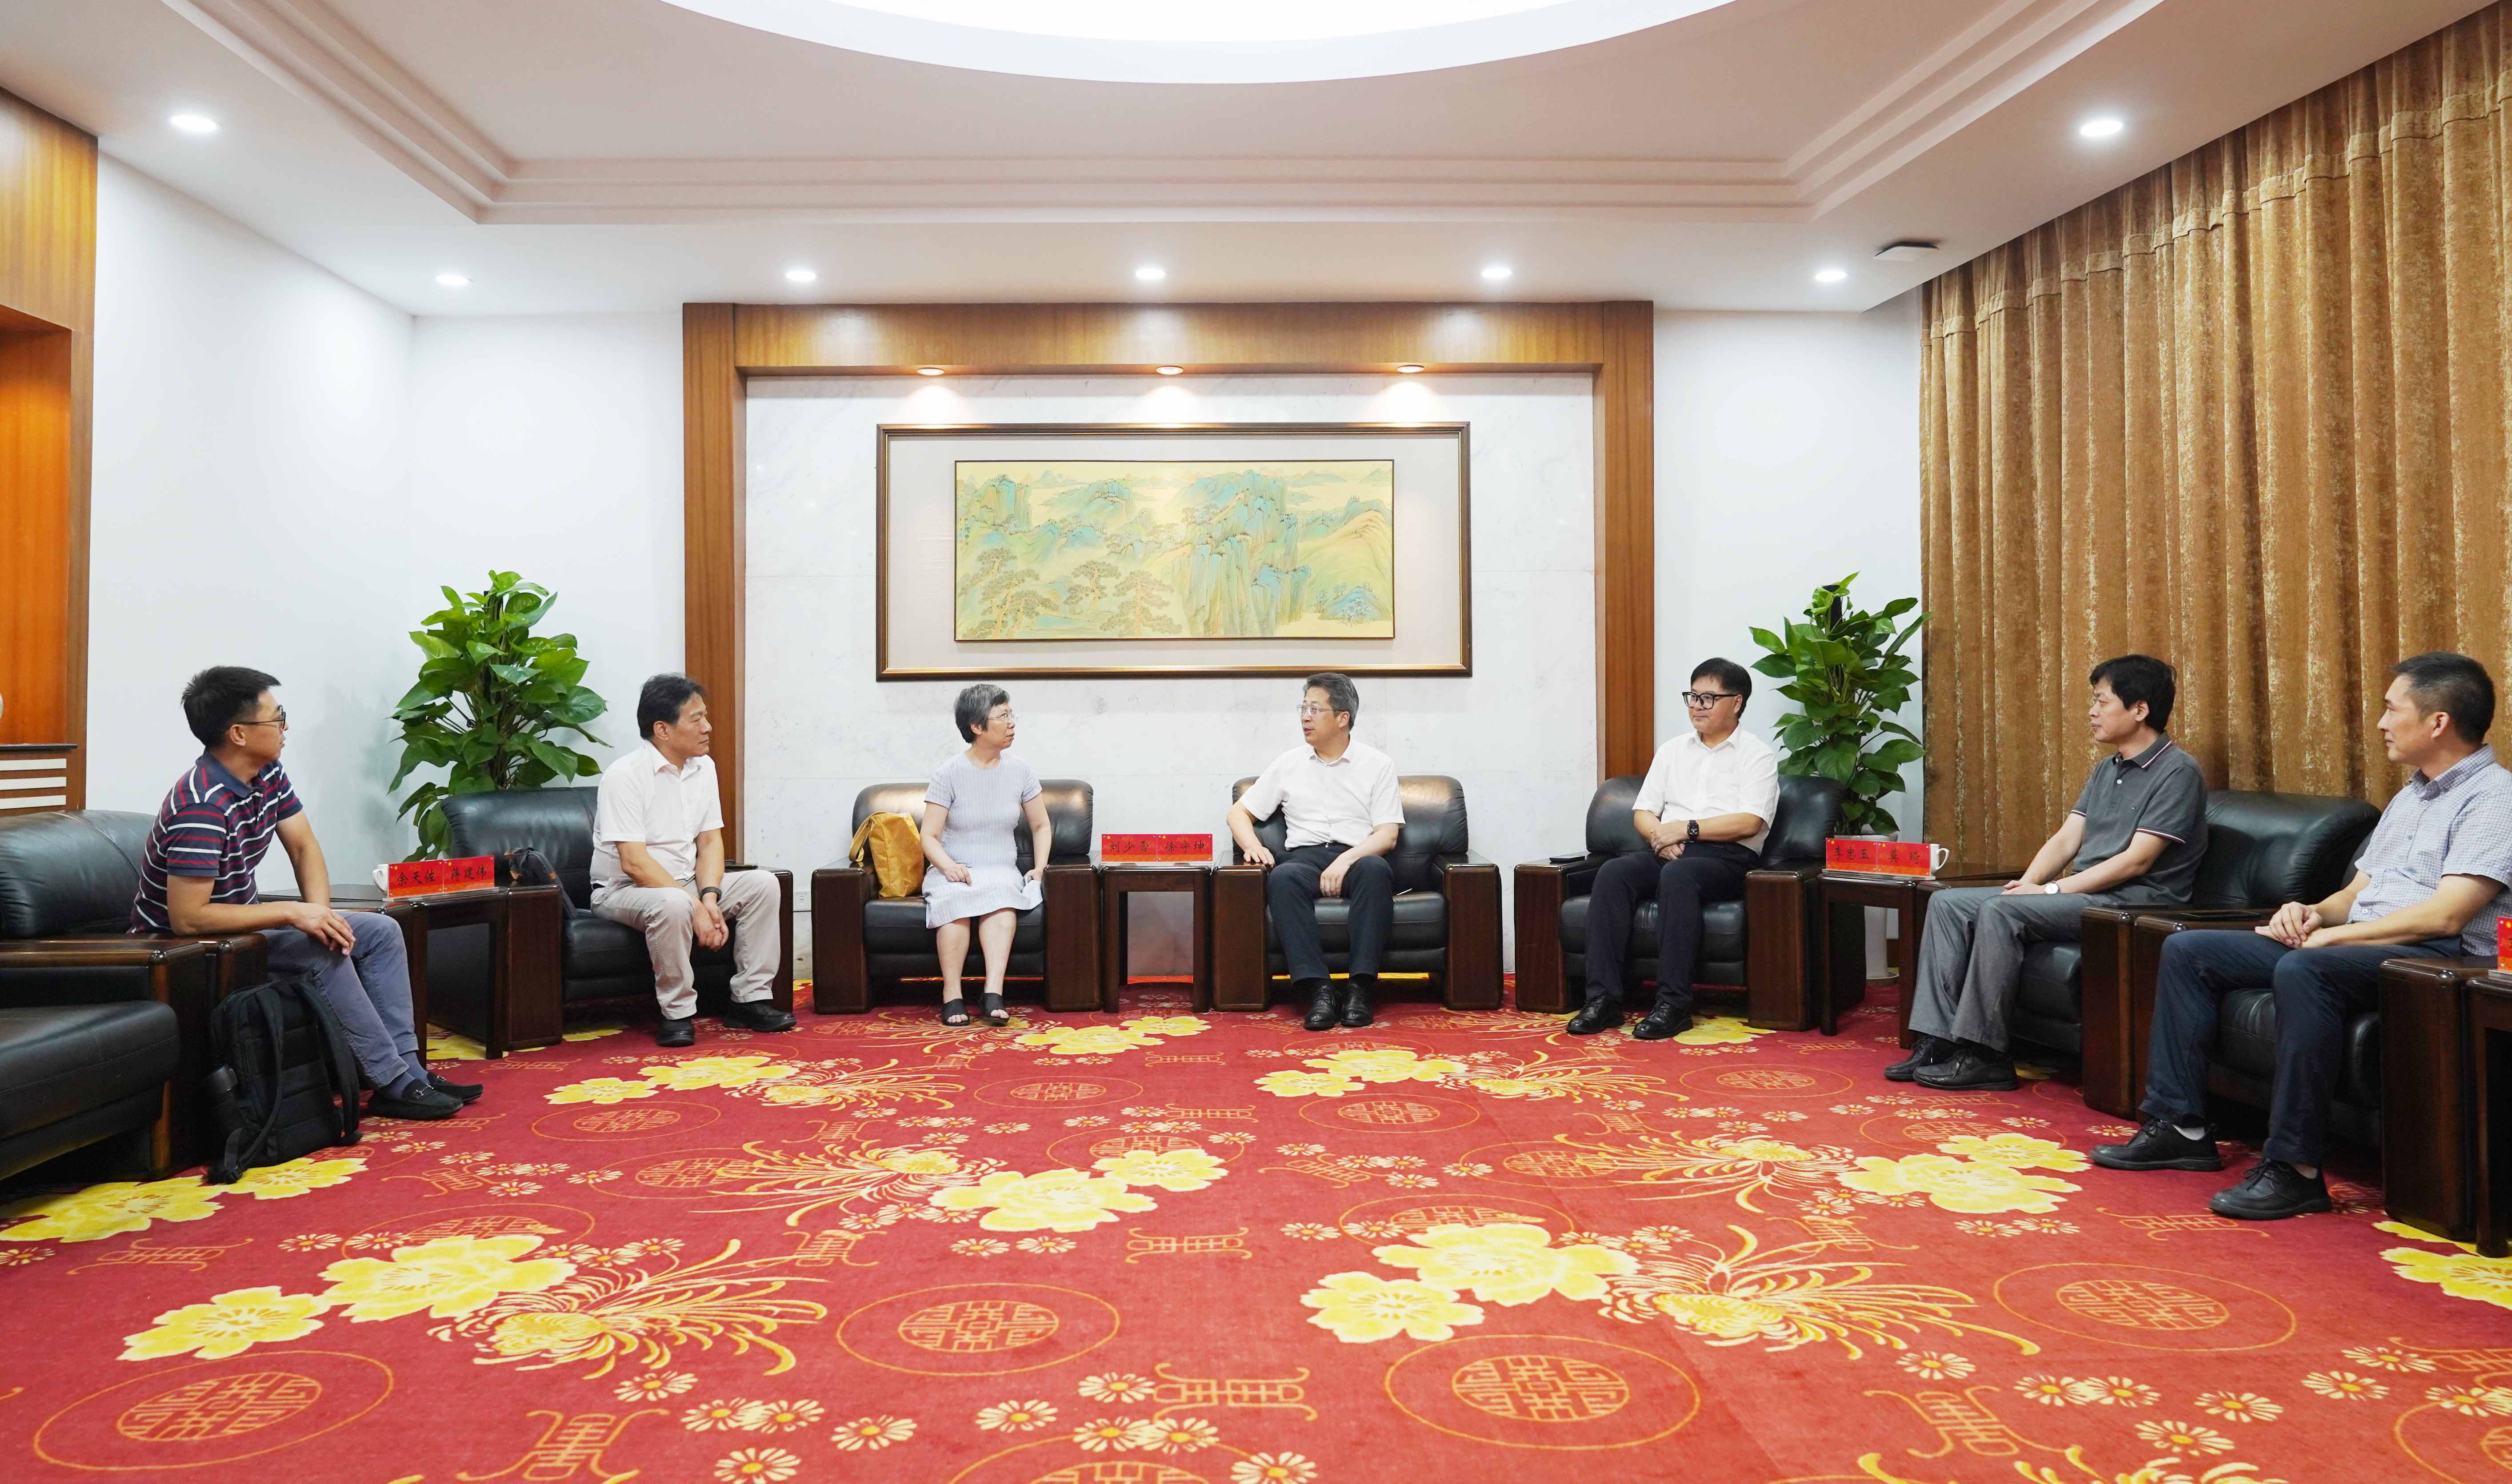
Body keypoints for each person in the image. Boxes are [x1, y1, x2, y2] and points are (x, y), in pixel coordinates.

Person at [2094, 652, 2512, 1220]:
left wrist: (2334, 942)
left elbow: (2446, 916)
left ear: (2438, 722)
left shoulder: (2493, 797)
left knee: (2305, 967)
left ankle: (2296, 1169)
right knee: (2190, 949)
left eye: (2392, 710)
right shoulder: (2413, 795)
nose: (2382, 723)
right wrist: (2310, 913)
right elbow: (2357, 892)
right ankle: (2179, 1127)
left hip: (2438, 955)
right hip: (2369, 939)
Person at [130, 666, 478, 1120]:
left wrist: (320, 914)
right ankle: (391, 1082)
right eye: (277, 717)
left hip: (243, 931)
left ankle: (410, 1071)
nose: (286, 726)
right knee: (321, 952)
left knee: (380, 932)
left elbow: (303, 846)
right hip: (191, 953)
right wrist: (294, 915)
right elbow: (189, 918)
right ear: (238, 734)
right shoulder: (202, 804)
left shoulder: (267, 774)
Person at [1892, 654, 2208, 1091]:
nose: (2092, 712)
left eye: (2102, 701)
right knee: (1947, 903)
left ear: (2140, 709)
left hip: (2135, 900)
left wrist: (2052, 891)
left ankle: (1986, 1055)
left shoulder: (2178, 772)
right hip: (2085, 894)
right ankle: (1939, 1040)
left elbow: (2136, 861)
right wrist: (2029, 883)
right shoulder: (2108, 768)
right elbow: (2066, 839)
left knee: (2001, 912)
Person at [1569, 658, 1779, 1040]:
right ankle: (1603, 1000)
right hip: (1669, 850)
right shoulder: (1672, 751)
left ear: (1737, 702)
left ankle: (1674, 1004)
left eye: (1708, 698)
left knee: (1680, 875)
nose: (1697, 706)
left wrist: (1687, 830)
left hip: (1728, 858)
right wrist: (1660, 837)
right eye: (1693, 697)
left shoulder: (1757, 756)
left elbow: (1750, 822)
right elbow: (1643, 811)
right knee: (1614, 872)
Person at [591, 674, 794, 1047]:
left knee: (763, 884)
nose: (708, 727)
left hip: (684, 883)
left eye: (706, 717)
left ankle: (750, 1000)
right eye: (696, 719)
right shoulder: (624, 777)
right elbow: (634, 863)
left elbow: (711, 842)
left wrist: (710, 897)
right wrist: (694, 906)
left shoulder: (704, 768)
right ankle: (678, 1013)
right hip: (623, 890)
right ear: (662, 730)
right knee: (673, 904)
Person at [1228, 672, 1404, 1031]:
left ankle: (1359, 989)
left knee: (1376, 871)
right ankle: (1318, 990)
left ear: (1343, 718)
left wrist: (1346, 859)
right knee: (1283, 878)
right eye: (1303, 708)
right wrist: (1253, 846)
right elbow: (1238, 814)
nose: (1305, 718)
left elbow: (1387, 835)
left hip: (1357, 855)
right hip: (1304, 858)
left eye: (1315, 709)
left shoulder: (1378, 765)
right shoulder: (1288, 763)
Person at [920, 683, 1053, 1027]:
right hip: (955, 867)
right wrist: (948, 866)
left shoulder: (1020, 770)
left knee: (1002, 899)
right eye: (1003, 716)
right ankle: (952, 994)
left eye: (1011, 714)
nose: (1012, 723)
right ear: (977, 726)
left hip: (1000, 868)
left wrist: (1040, 868)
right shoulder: (948, 773)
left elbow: (1041, 826)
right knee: (954, 902)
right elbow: (929, 836)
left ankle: (993, 993)